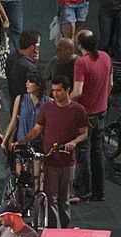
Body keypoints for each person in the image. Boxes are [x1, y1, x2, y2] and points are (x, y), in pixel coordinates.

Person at [12, 76, 87, 228]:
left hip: (67, 162)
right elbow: (37, 129)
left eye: (59, 90)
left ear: (67, 90)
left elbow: (84, 133)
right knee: (50, 198)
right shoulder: (47, 108)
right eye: (53, 91)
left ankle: (65, 228)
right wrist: (22, 141)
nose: (55, 94)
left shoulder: (78, 110)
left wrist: (73, 142)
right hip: (50, 160)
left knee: (63, 199)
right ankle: (51, 230)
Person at [72, 29, 111, 204]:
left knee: (83, 153)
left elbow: (78, 91)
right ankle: (99, 191)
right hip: (102, 111)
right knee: (97, 152)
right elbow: (110, 84)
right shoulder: (105, 57)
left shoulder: (81, 63)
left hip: (86, 114)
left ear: (80, 45)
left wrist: (63, 100)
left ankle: (84, 193)